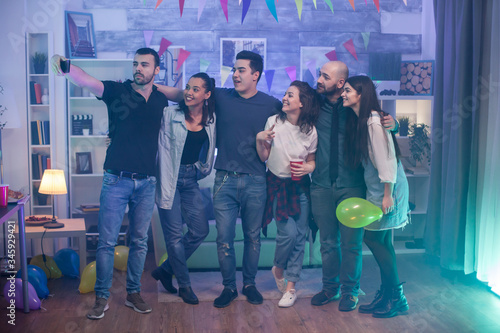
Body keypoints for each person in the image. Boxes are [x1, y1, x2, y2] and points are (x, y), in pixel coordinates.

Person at [51, 48, 182, 320]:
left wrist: (155, 85)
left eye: (145, 65)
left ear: (156, 70)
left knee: (140, 242)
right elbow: (86, 80)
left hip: (147, 182)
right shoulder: (117, 91)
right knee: (106, 242)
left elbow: (185, 95)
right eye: (135, 64)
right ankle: (102, 297)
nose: (138, 68)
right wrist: (65, 68)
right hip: (116, 179)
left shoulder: (160, 100)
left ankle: (134, 293)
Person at [156, 51, 282, 308]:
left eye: (241, 70)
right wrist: (149, 86)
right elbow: (183, 94)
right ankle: (228, 288)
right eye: (234, 70)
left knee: (253, 237)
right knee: (223, 238)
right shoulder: (221, 97)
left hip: (257, 180)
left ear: (256, 75)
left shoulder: (271, 104)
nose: (235, 74)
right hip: (224, 179)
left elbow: (293, 122)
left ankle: (249, 284)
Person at [310, 61, 397, 312]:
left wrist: (395, 124)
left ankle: (350, 292)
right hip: (321, 186)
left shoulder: (356, 107)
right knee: (327, 243)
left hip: (353, 186)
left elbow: (380, 124)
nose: (319, 79)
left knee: (351, 244)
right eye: (319, 75)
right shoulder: (314, 104)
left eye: (324, 76)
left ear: (340, 83)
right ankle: (330, 288)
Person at [342, 75, 409, 318]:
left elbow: (386, 159)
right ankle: (389, 294)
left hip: (387, 189)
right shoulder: (363, 120)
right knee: (382, 242)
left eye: (348, 90)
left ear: (361, 94)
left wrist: (388, 195)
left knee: (373, 239)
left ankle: (396, 297)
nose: (344, 94)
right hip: (378, 189)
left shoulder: (372, 122)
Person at [151, 73, 216, 305]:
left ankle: (165, 270)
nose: (189, 92)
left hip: (191, 179)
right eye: (188, 87)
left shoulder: (211, 120)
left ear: (207, 95)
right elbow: (146, 131)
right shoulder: (169, 114)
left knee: (200, 230)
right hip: (169, 179)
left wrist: (201, 169)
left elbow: (210, 149)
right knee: (174, 236)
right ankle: (185, 285)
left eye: (196, 89)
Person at [256, 81, 320, 308]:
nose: (284, 98)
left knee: (301, 236)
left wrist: (308, 168)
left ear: (302, 103)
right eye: (285, 94)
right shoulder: (273, 122)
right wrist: (260, 139)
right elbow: (264, 156)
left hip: (301, 186)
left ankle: (291, 287)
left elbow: (311, 161)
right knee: (289, 234)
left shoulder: (310, 130)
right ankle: (278, 268)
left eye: (290, 95)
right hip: (276, 186)